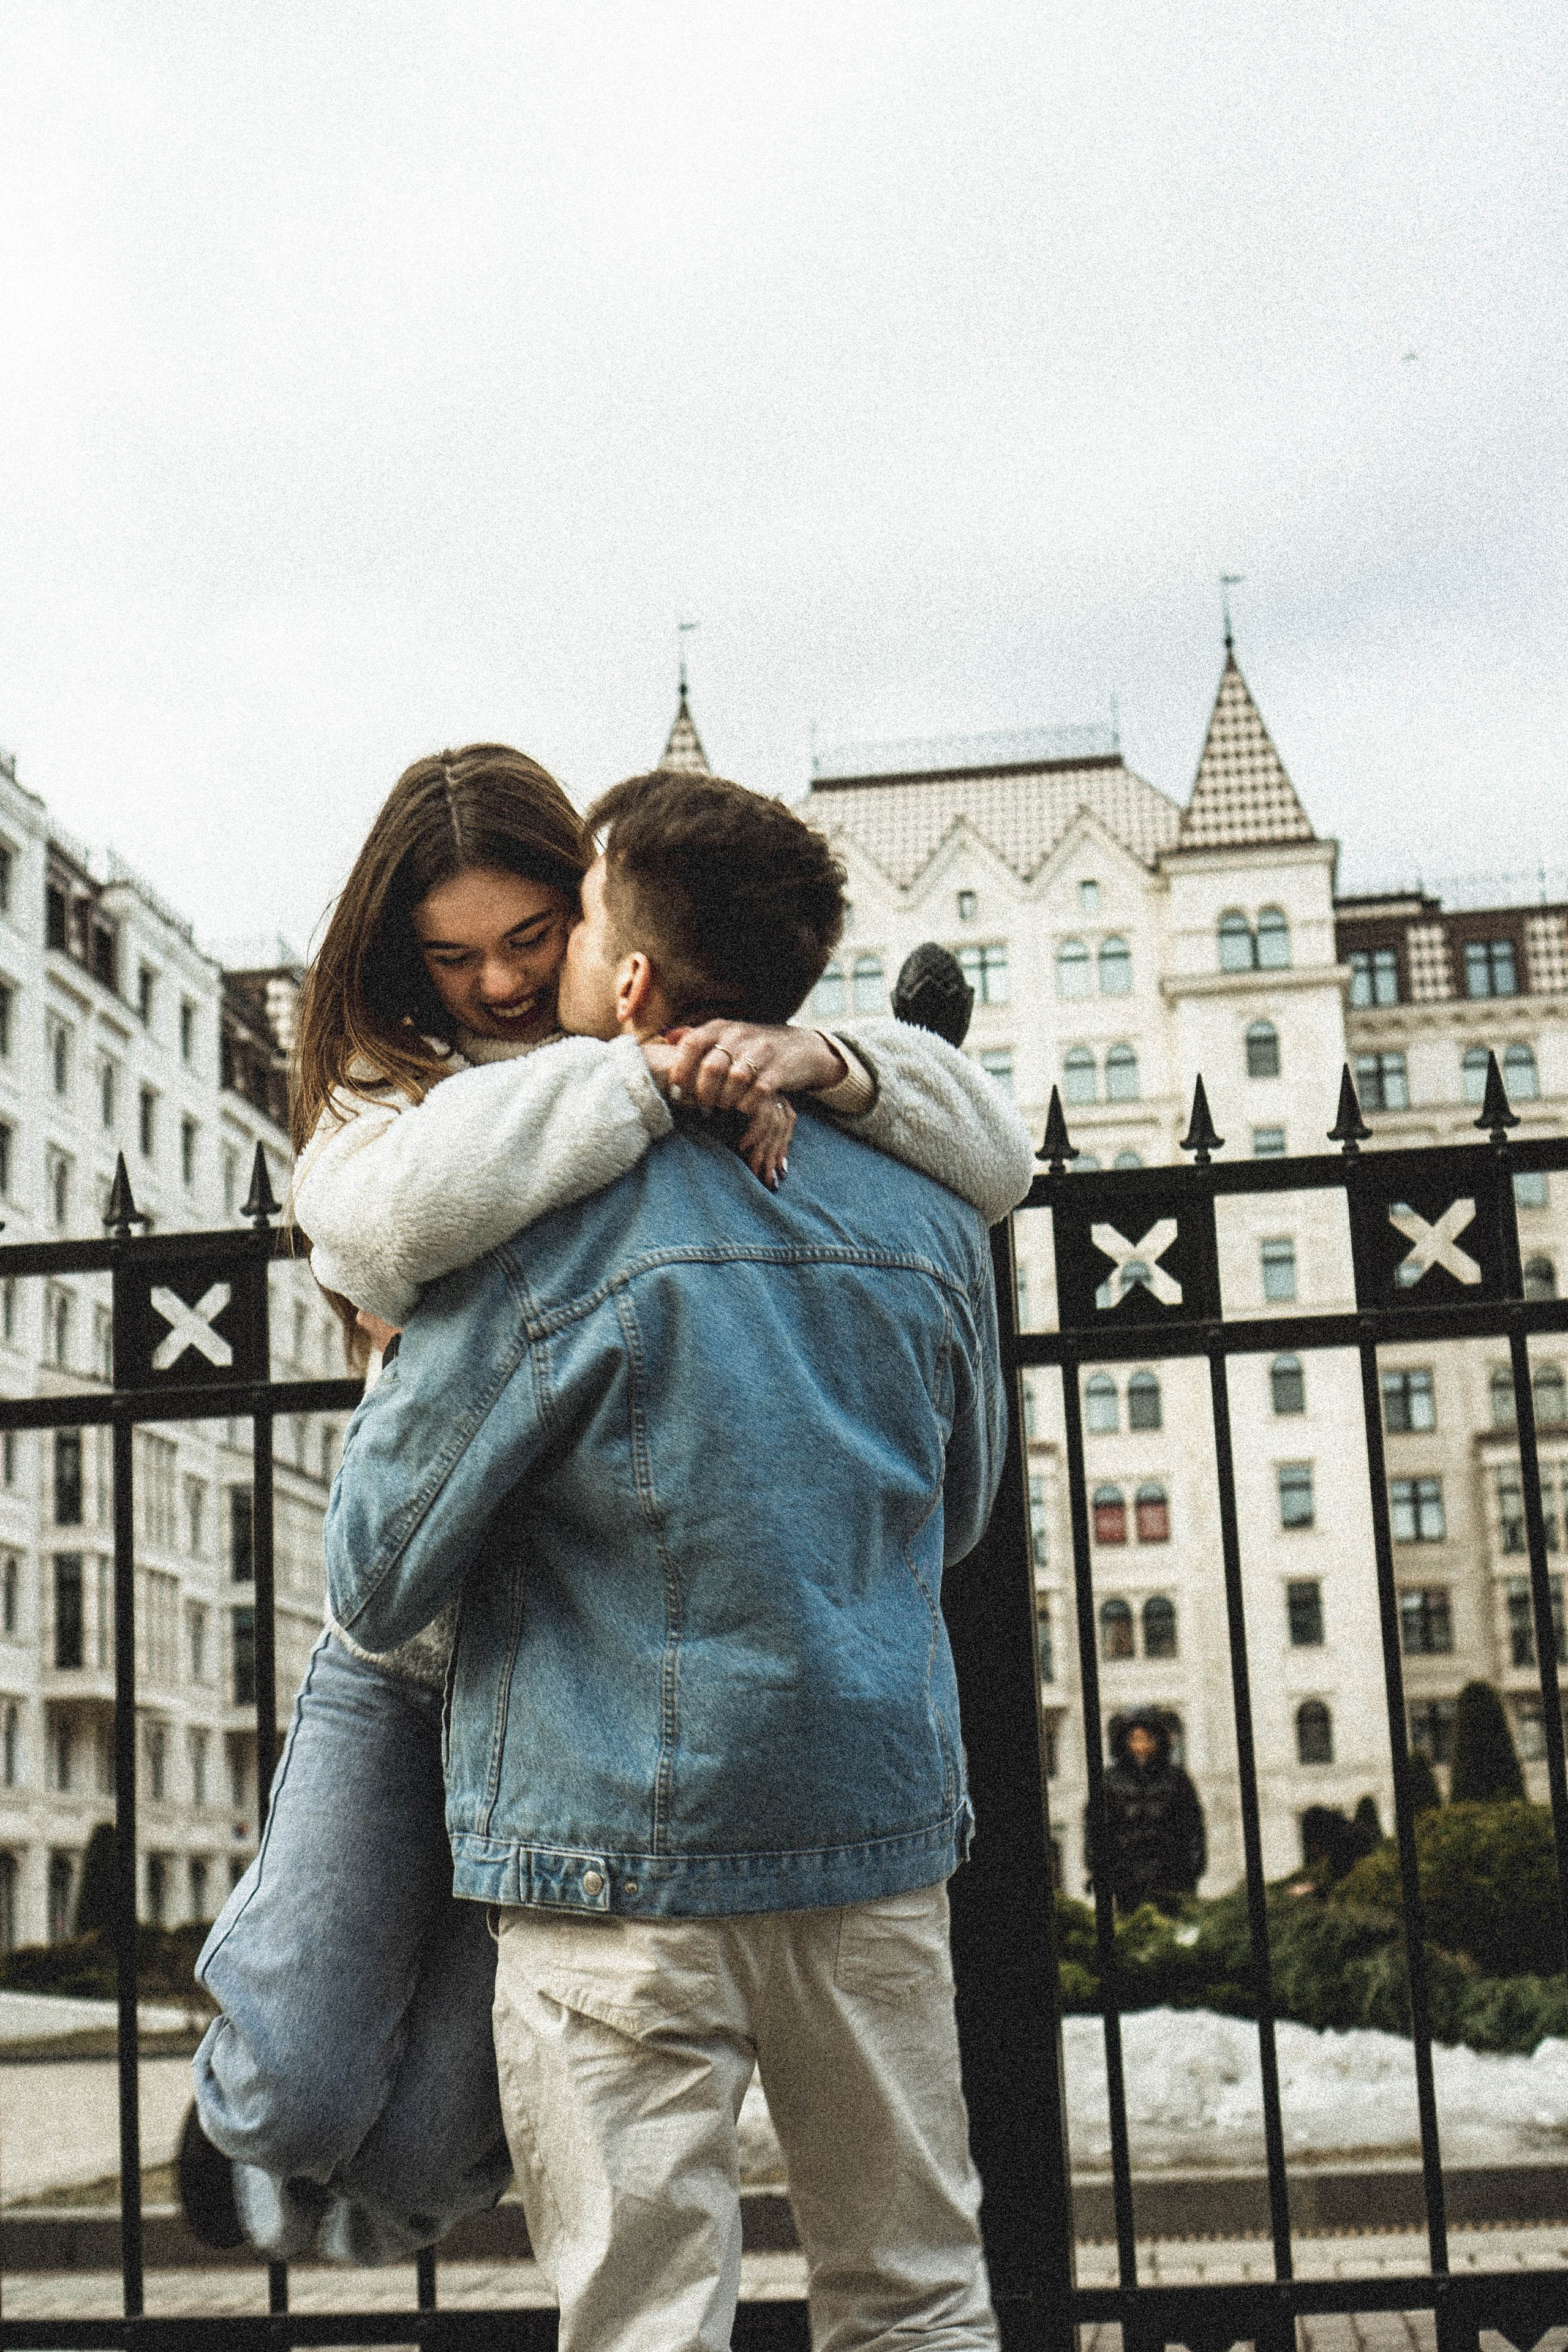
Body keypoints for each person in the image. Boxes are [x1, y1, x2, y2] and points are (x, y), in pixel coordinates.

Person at [184, 745, 1034, 2267]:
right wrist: (642, 1078)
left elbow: (987, 1150)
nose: (502, 984)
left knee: (450, 2134)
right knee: (295, 2071)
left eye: (531, 938)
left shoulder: (706, 1044)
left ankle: (385, 2192)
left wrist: (821, 1063)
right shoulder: (404, 1091)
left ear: (597, 935)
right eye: (453, 956)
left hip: (577, 1689)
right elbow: (383, 1218)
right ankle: (249, 2117)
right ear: (398, 956)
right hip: (416, 1654)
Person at [1085, 1707, 1207, 1916]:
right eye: (1135, 1739)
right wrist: (1099, 1871)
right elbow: (1096, 1830)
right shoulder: (1110, 1781)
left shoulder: (1177, 1778)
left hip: (1171, 1878)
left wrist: (1192, 1868)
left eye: (1147, 1739)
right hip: (1127, 1880)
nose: (1141, 1746)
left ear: (1158, 1740)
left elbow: (1193, 1826)